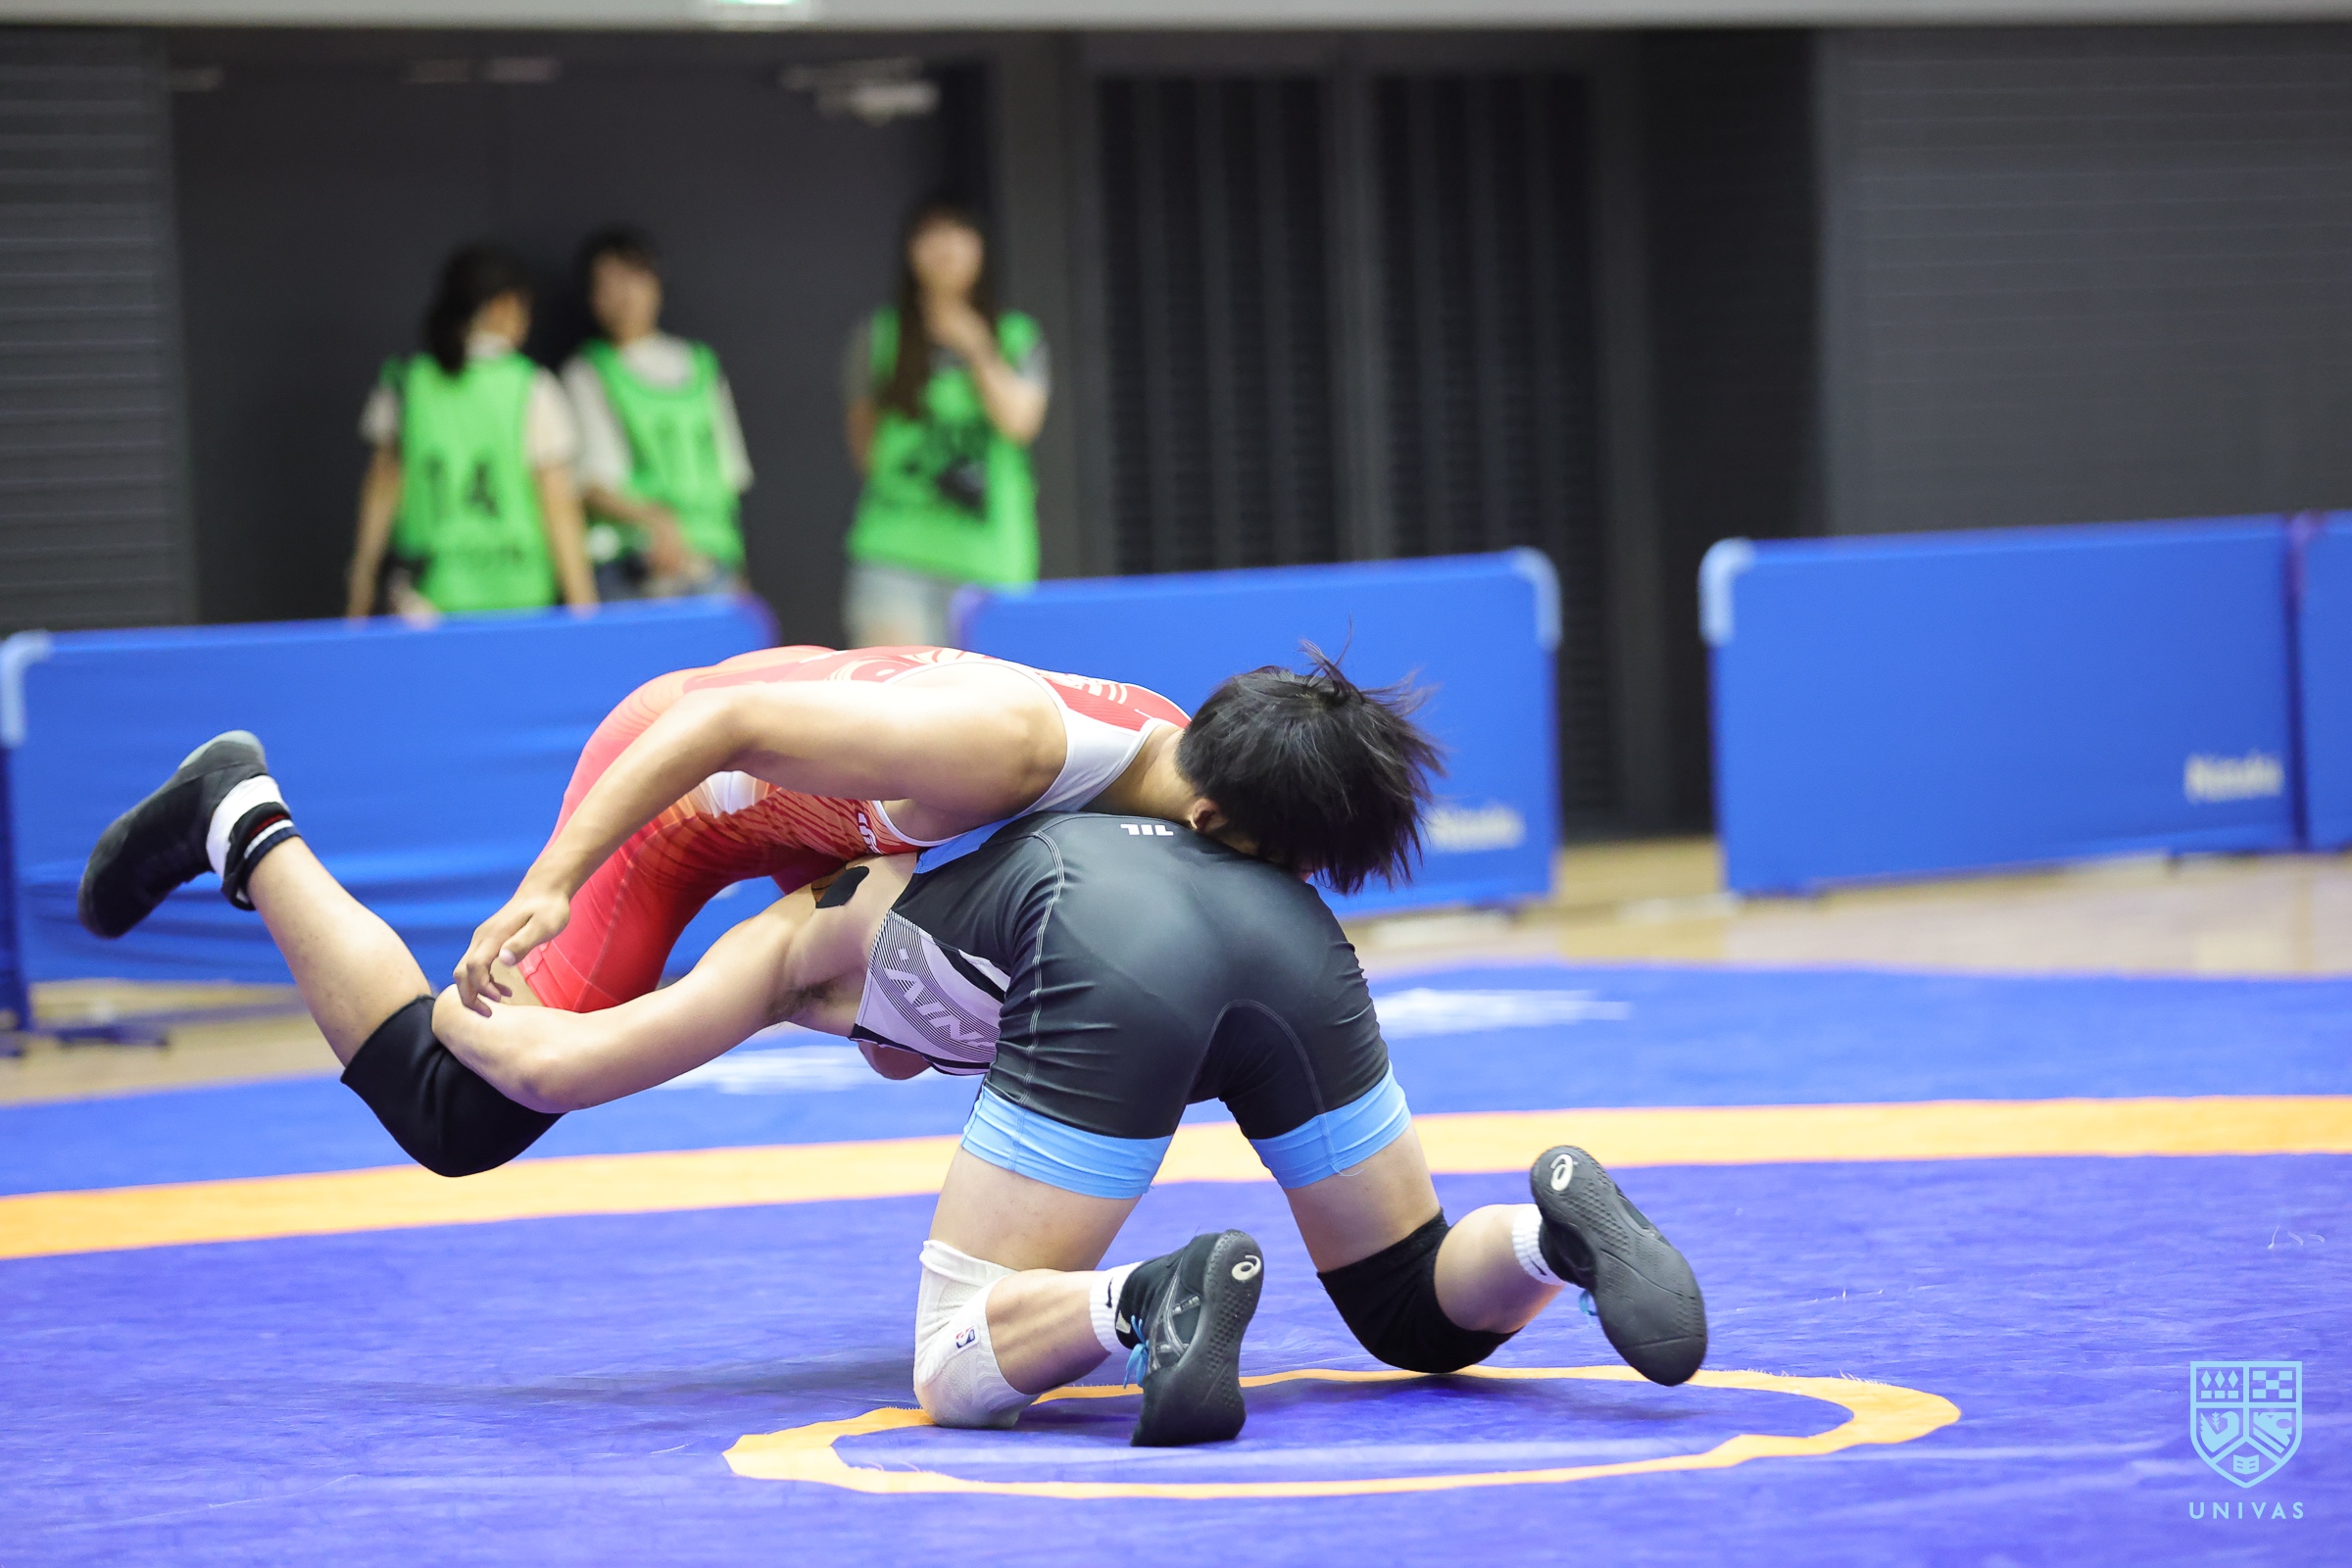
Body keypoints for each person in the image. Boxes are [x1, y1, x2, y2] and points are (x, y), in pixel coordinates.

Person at [77, 732, 1709, 1447]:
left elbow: (571, 1062)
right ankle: (1545, 1233)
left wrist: (490, 1018)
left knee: (955, 1353)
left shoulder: (803, 931)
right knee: (1412, 1307)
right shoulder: (1127, 800)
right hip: (1287, 944)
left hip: (1069, 942)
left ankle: (1137, 1304)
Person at [447, 642, 1436, 1022]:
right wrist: (552, 880)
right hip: (686, 781)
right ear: (1211, 822)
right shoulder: (1007, 747)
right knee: (480, 1105)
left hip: (817, 817)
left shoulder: (1183, 758)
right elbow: (721, 722)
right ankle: (326, 898)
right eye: (1277, 872)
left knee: (906, 1024)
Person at [347, 245, 598, 620]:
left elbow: (380, 491)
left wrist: (362, 584)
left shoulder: (407, 382)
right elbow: (559, 504)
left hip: (426, 600)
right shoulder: (530, 386)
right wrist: (583, 605)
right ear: (504, 306)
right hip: (519, 595)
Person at [842, 202, 1048, 648]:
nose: (946, 249)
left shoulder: (1016, 335)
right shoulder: (880, 336)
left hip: (992, 558)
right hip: (896, 552)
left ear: (981, 248)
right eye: (932, 235)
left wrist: (976, 347)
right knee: (896, 687)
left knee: (991, 689)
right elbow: (864, 445)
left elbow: (1020, 422)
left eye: (959, 234)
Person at [562, 226, 755, 601]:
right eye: (609, 284)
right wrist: (654, 522)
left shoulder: (700, 366)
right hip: (633, 568)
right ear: (592, 298)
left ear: (656, 283)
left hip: (711, 562)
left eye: (633, 278)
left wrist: (738, 569)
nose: (625, 296)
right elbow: (591, 484)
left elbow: (727, 478)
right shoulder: (588, 372)